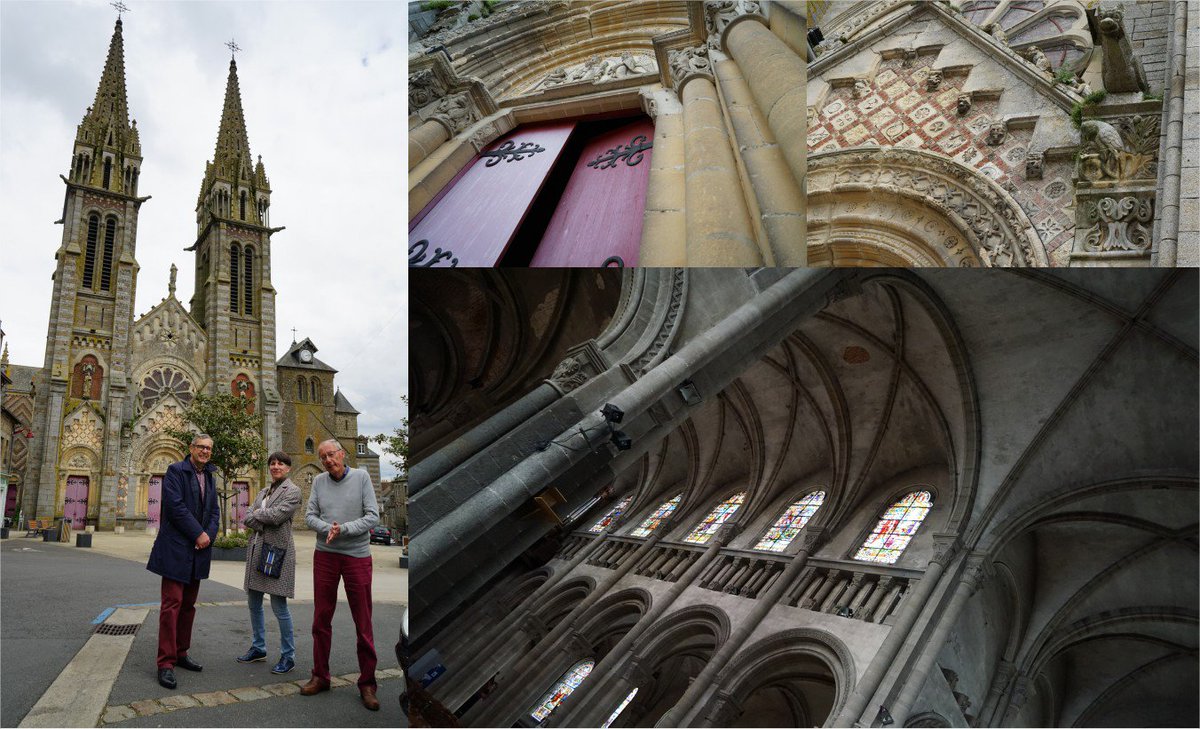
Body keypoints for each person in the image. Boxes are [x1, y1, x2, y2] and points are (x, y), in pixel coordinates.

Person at [301, 439, 381, 710]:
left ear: (342, 454)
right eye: (322, 457)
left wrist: (343, 529)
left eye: (331, 455)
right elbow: (309, 516)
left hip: (357, 556)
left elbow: (373, 516)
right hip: (325, 555)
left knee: (363, 620)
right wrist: (328, 529)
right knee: (321, 618)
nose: (327, 460)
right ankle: (320, 676)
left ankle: (367, 683)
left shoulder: (361, 478)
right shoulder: (319, 481)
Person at [146, 433, 220, 690]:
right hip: (176, 549)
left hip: (199, 550)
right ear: (191, 448)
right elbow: (175, 507)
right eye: (201, 447)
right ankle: (165, 663)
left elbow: (214, 511)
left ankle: (180, 652)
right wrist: (198, 534)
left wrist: (208, 536)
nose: (205, 451)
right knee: (172, 605)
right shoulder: (175, 471)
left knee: (188, 605)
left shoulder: (210, 476)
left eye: (208, 448)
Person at [237, 451, 302, 674]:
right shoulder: (264, 491)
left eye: (280, 463)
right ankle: (258, 647)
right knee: (254, 603)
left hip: (277, 553)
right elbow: (246, 516)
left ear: (288, 468)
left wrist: (257, 514)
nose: (276, 466)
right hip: (257, 551)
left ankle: (288, 655)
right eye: (272, 463)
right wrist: (258, 515)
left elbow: (277, 516)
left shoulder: (293, 491)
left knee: (279, 607)